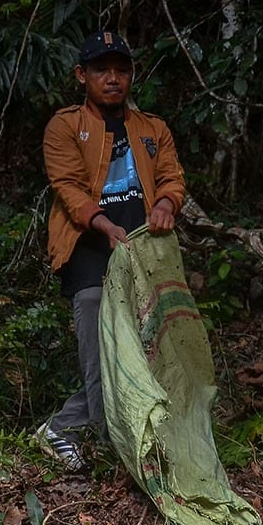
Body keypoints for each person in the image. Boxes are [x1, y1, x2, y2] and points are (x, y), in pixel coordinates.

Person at [36, 30, 186, 471]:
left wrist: (165, 202)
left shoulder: (152, 128)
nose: (113, 78)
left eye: (121, 69)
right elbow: (67, 187)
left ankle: (104, 433)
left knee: (150, 349)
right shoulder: (65, 126)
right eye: (102, 69)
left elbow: (172, 177)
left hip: (142, 252)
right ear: (82, 75)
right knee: (102, 351)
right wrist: (102, 224)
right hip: (89, 251)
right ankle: (88, 437)